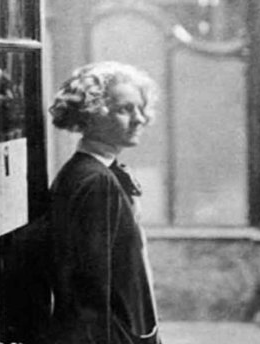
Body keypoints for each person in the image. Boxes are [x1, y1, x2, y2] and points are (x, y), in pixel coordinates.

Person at [47, 61, 162, 344]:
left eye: (140, 108)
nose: (140, 118)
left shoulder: (89, 172)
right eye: (125, 109)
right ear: (91, 115)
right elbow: (90, 299)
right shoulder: (95, 182)